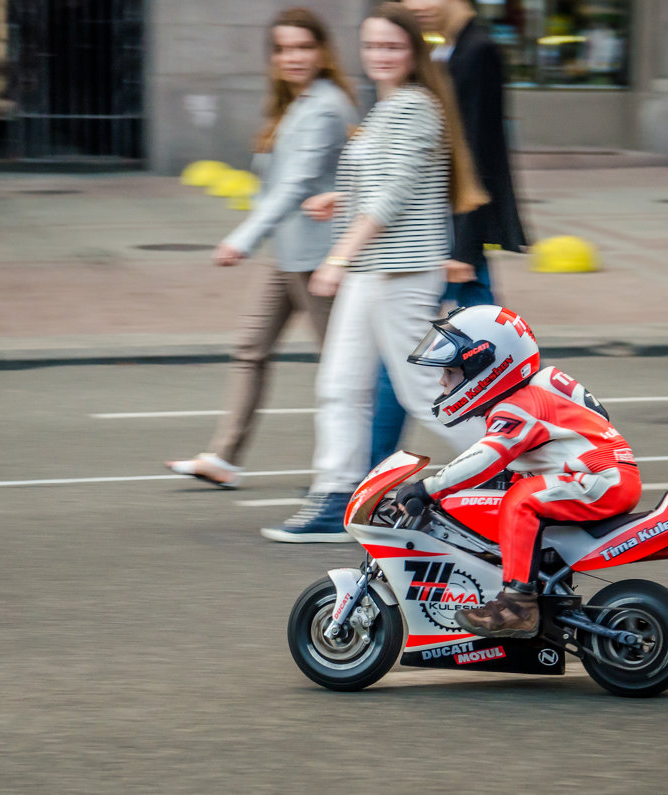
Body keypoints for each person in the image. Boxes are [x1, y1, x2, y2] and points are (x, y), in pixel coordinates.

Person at [261, 3, 489, 543]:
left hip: (400, 270)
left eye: (391, 47)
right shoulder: (386, 107)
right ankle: (337, 496)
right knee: (340, 384)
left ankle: (512, 463)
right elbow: (385, 182)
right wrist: (339, 199)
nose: (379, 56)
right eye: (371, 47)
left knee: (419, 391)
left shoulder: (414, 105)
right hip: (373, 267)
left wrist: (337, 258)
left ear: (412, 52)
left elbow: (393, 195)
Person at [166, 8, 356, 488]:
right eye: (283, 49)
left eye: (303, 47)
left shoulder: (327, 106)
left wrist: (242, 238)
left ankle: (356, 469)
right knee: (250, 350)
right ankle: (224, 457)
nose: (293, 57)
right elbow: (275, 182)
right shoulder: (295, 102)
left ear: (322, 52)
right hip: (288, 255)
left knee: (342, 372)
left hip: (317, 261)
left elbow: (292, 186)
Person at [393, 305, 641, 637]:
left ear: (486, 368)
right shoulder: (537, 389)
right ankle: (536, 585)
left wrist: (429, 489)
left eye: (450, 372)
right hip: (602, 477)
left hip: (601, 481)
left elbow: (485, 458)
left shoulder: (518, 406)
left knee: (522, 500)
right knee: (505, 496)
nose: (441, 381)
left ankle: (519, 606)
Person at [366, 0, 529, 468]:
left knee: (460, 359)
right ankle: (513, 453)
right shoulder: (452, 49)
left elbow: (474, 152)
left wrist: (463, 246)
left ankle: (512, 458)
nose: (415, 5)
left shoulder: (477, 50)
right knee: (466, 357)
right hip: (448, 236)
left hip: (454, 239)